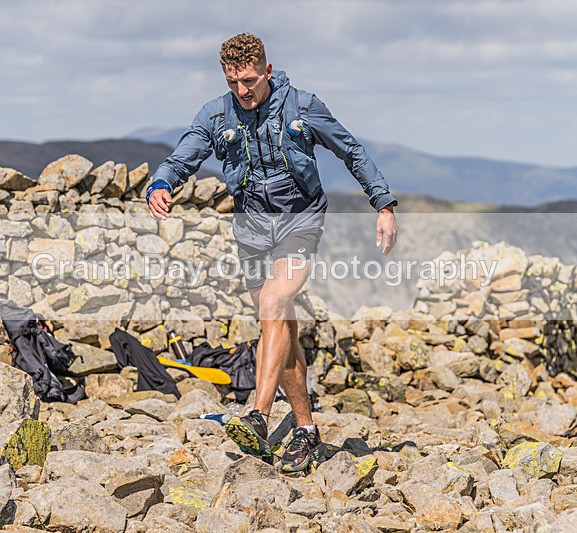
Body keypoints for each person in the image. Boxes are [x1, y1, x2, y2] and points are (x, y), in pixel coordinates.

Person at [147, 33, 398, 473]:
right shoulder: (215, 115)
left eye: (248, 80)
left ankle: (258, 416)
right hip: (252, 232)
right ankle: (305, 429)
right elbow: (181, 158)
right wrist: (161, 184)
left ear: (267, 70)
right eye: (232, 83)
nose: (242, 91)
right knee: (280, 328)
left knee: (273, 303)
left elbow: (351, 150)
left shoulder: (302, 107)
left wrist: (384, 204)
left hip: (300, 222)